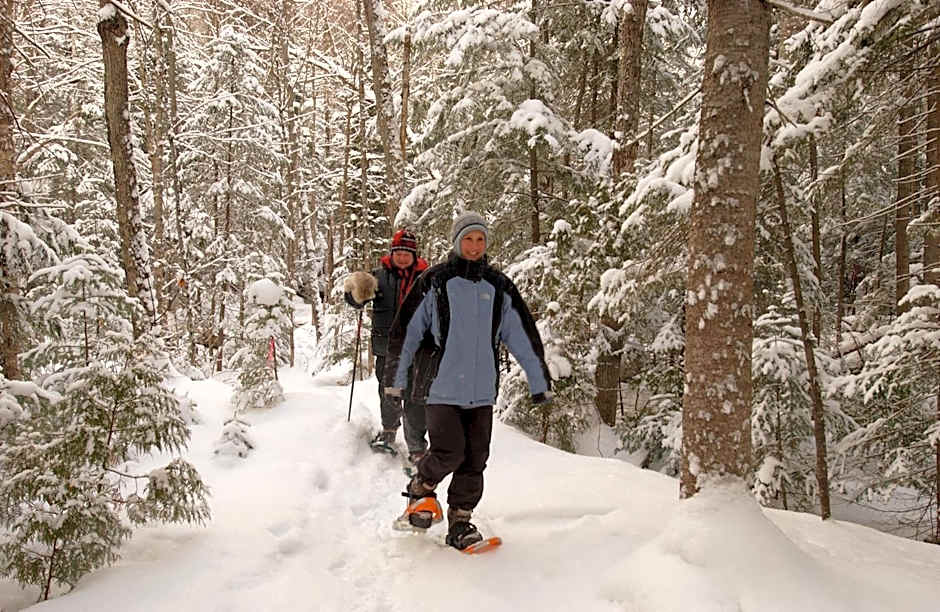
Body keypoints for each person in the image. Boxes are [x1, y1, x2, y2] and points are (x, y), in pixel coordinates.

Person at [383, 211, 552, 550]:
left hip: (481, 391)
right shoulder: (435, 281)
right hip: (441, 387)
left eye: (480, 239)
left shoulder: (498, 286)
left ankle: (460, 521)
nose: (474, 246)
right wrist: (395, 381)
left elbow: (520, 333)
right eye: (468, 239)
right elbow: (407, 332)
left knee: (476, 458)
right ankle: (421, 489)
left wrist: (539, 380)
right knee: (449, 452)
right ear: (457, 241)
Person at [344, 229, 429, 463]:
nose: (402, 257)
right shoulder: (378, 277)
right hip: (388, 347)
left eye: (407, 253)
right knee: (388, 391)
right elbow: (354, 300)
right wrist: (355, 293)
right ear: (392, 253)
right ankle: (389, 431)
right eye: (398, 252)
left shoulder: (426, 278)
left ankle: (417, 444)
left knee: (415, 396)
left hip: (419, 348)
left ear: (414, 255)